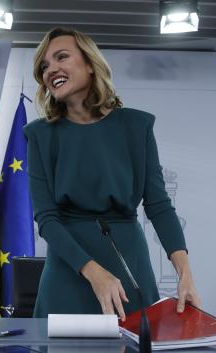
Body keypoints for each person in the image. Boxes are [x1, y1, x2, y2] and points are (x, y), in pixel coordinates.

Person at [22, 27, 200, 320]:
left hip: (129, 266)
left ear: (91, 64)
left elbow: (158, 205)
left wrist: (185, 273)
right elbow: (46, 219)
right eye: (44, 66)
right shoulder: (40, 136)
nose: (51, 69)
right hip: (69, 269)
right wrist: (93, 273)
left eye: (61, 57)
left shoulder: (136, 127)